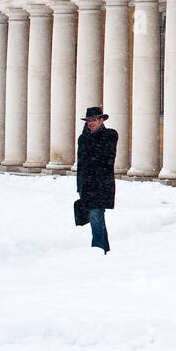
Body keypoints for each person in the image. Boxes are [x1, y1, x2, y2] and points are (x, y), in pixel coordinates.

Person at [76, 106, 118, 254]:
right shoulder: (83, 139)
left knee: (96, 218)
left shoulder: (110, 135)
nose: (91, 123)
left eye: (94, 120)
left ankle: (98, 250)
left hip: (101, 185)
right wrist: (79, 186)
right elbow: (81, 164)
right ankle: (103, 250)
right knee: (97, 219)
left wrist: (89, 138)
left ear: (101, 120)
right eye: (88, 121)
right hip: (87, 186)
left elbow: (106, 158)